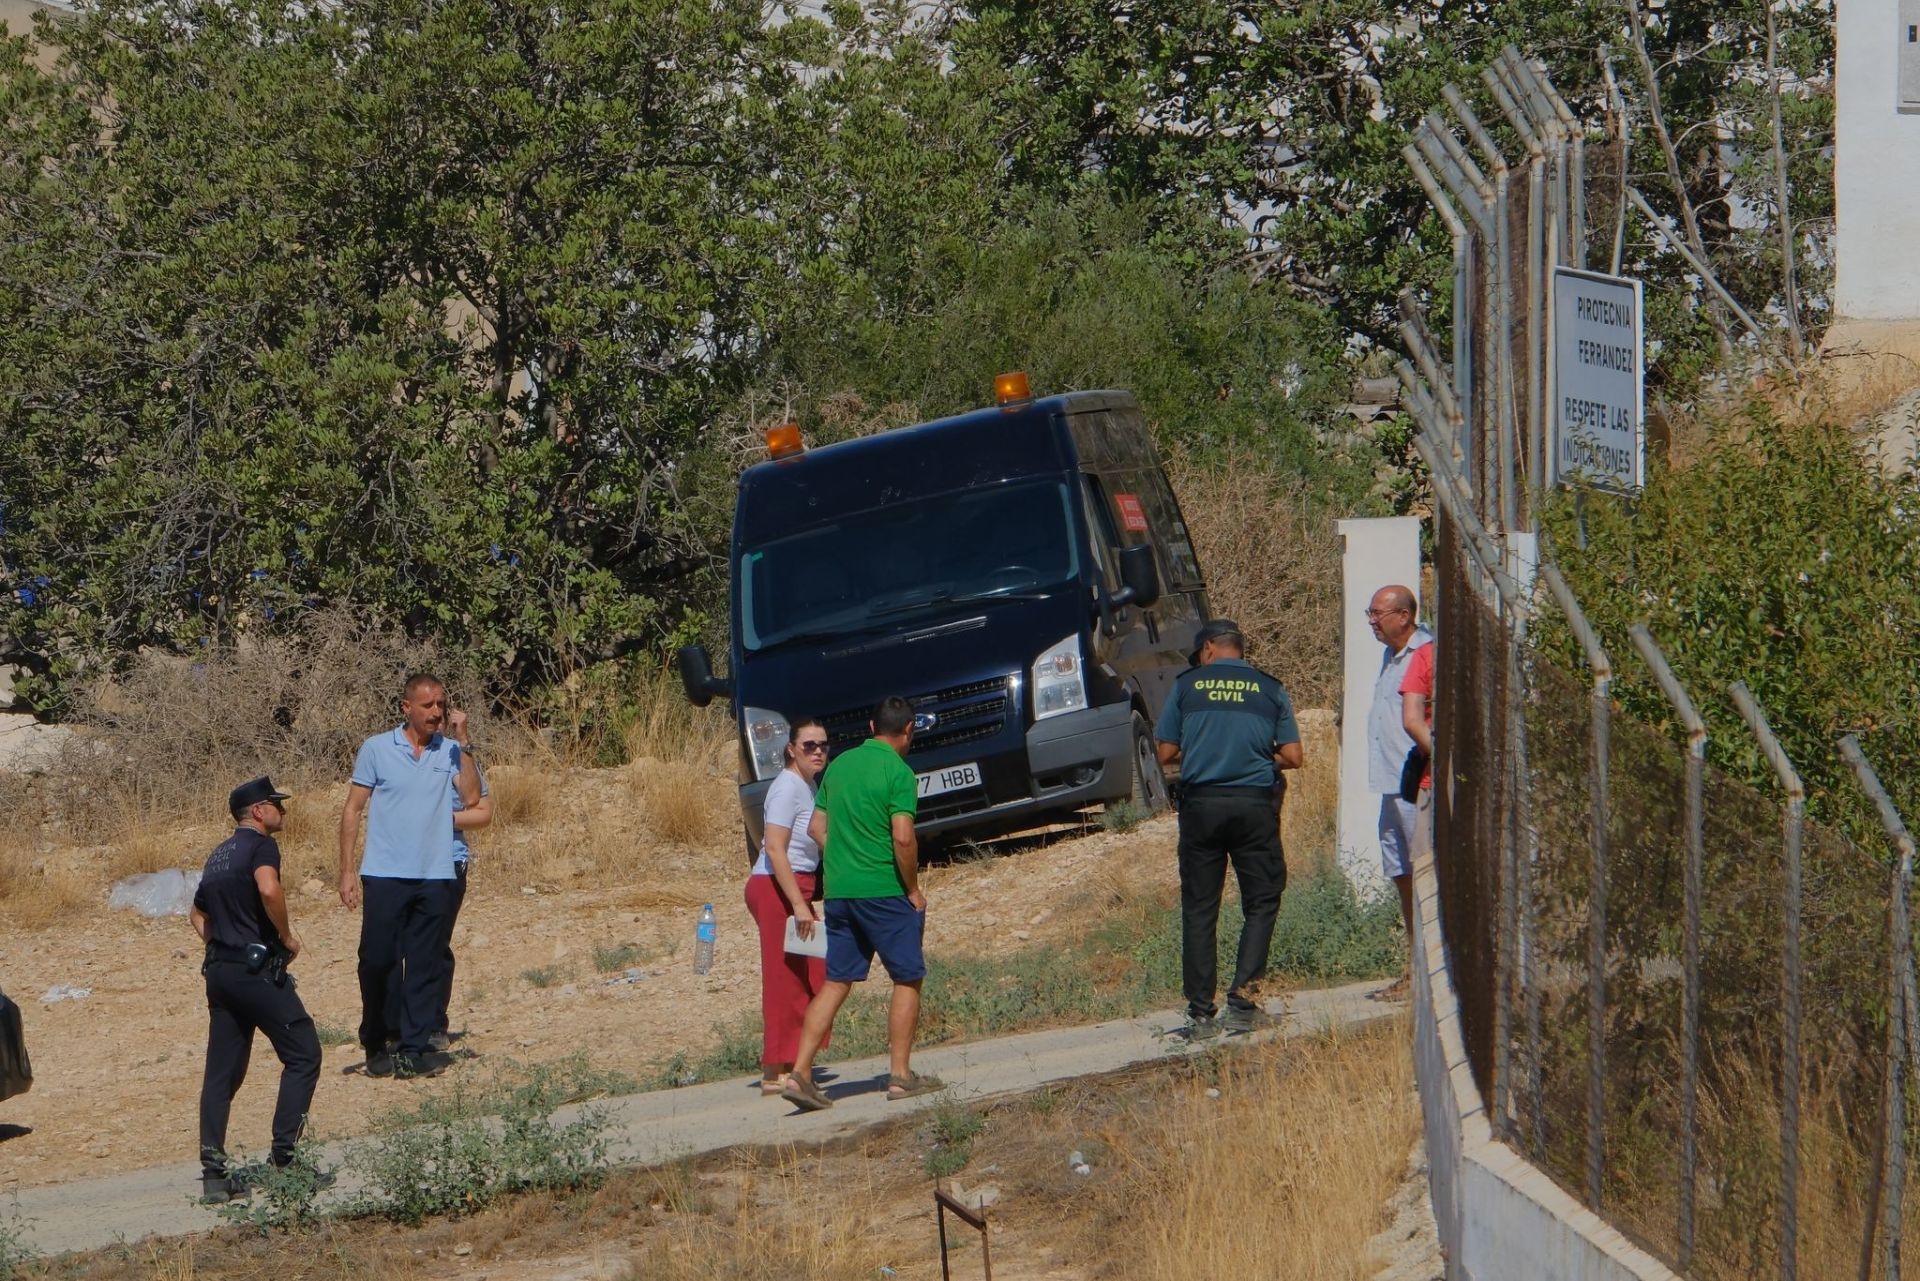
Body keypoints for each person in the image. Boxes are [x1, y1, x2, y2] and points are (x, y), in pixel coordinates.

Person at [780, 696, 944, 1111]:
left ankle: (800, 1073)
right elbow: (903, 838)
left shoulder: (839, 767)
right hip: (883, 891)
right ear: (908, 731)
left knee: (837, 982)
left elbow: (817, 827)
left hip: (840, 892)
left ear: (871, 726)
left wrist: (844, 857)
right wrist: (912, 889)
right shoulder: (899, 772)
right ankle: (901, 1077)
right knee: (908, 977)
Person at [1155, 619, 1303, 1040]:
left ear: (1207, 650)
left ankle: (1201, 1015)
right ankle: (1243, 1001)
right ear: (1238, 649)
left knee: (1201, 908)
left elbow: (1165, 752)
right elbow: (1294, 755)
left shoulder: (1187, 687)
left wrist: (1201, 746)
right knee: (1261, 900)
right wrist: (1259, 757)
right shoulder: (1269, 688)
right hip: (1254, 807)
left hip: (1201, 807)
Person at [191, 775, 326, 1203]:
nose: (282, 811)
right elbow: (269, 888)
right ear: (257, 811)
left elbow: (196, 914)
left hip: (220, 973)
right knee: (304, 1053)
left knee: (222, 1073)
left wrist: (220, 945)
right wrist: (285, 937)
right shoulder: (260, 846)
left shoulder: (218, 856)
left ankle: (214, 1173)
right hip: (255, 972)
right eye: (276, 805)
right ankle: (284, 1160)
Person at [338, 674, 478, 1079]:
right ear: (406, 708)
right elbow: (353, 810)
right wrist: (347, 870)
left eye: (440, 705)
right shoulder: (377, 749)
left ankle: (414, 1051)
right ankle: (377, 1041)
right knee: (377, 961)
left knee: (424, 963)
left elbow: (471, 798)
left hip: (435, 875)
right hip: (384, 874)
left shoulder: (452, 752)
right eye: (427, 706)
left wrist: (464, 740)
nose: (436, 713)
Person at [744, 718, 830, 1095]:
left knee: (811, 972)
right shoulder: (786, 788)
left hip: (795, 888)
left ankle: (795, 1061)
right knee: (783, 978)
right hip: (775, 888)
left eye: (823, 745)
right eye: (809, 745)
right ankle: (773, 1072)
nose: (818, 752)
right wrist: (798, 903)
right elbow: (775, 847)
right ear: (791, 749)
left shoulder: (806, 786)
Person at [386, 763, 492, 1053]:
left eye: (441, 715)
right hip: (397, 866)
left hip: (446, 865)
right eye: (429, 713)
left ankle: (432, 1026)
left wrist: (441, 819)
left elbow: (482, 813)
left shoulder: (457, 760)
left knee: (432, 946)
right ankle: (395, 1027)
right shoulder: (390, 755)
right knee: (390, 949)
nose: (435, 717)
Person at [1365, 585, 1434, 1001]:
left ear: (1405, 615)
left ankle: (1433, 975)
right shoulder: (1390, 657)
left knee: (1426, 877)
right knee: (1403, 877)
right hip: (1390, 784)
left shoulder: (1426, 654)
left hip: (1417, 786)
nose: (1372, 620)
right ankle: (1414, 971)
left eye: (1378, 613)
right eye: (1369, 613)